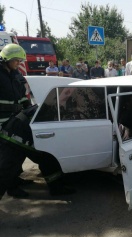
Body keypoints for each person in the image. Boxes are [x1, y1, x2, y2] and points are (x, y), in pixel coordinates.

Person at [0, 44, 75, 199]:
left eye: (20, 60)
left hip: (18, 123)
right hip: (4, 125)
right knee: (10, 162)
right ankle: (12, 187)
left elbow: (22, 97)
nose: (19, 63)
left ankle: (55, 186)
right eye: (16, 60)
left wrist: (31, 111)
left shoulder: (15, 75)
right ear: (7, 59)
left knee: (43, 153)